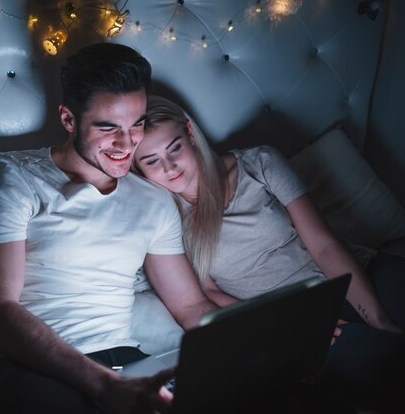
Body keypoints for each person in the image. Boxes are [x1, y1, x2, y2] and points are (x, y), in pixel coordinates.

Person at [0, 44, 219, 414]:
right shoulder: (14, 177)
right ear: (69, 120)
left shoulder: (154, 201)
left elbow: (191, 304)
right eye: (108, 128)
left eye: (137, 125)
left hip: (125, 361)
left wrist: (264, 342)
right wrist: (103, 385)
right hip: (29, 367)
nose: (127, 144)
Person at [133, 94, 405, 413]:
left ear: (190, 133)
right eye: (151, 161)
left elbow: (324, 244)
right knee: (387, 366)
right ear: (139, 169)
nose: (169, 167)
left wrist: (379, 318)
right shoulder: (162, 224)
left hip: (360, 273)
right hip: (302, 315)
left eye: (174, 148)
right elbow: (206, 298)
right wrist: (292, 325)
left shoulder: (259, 162)